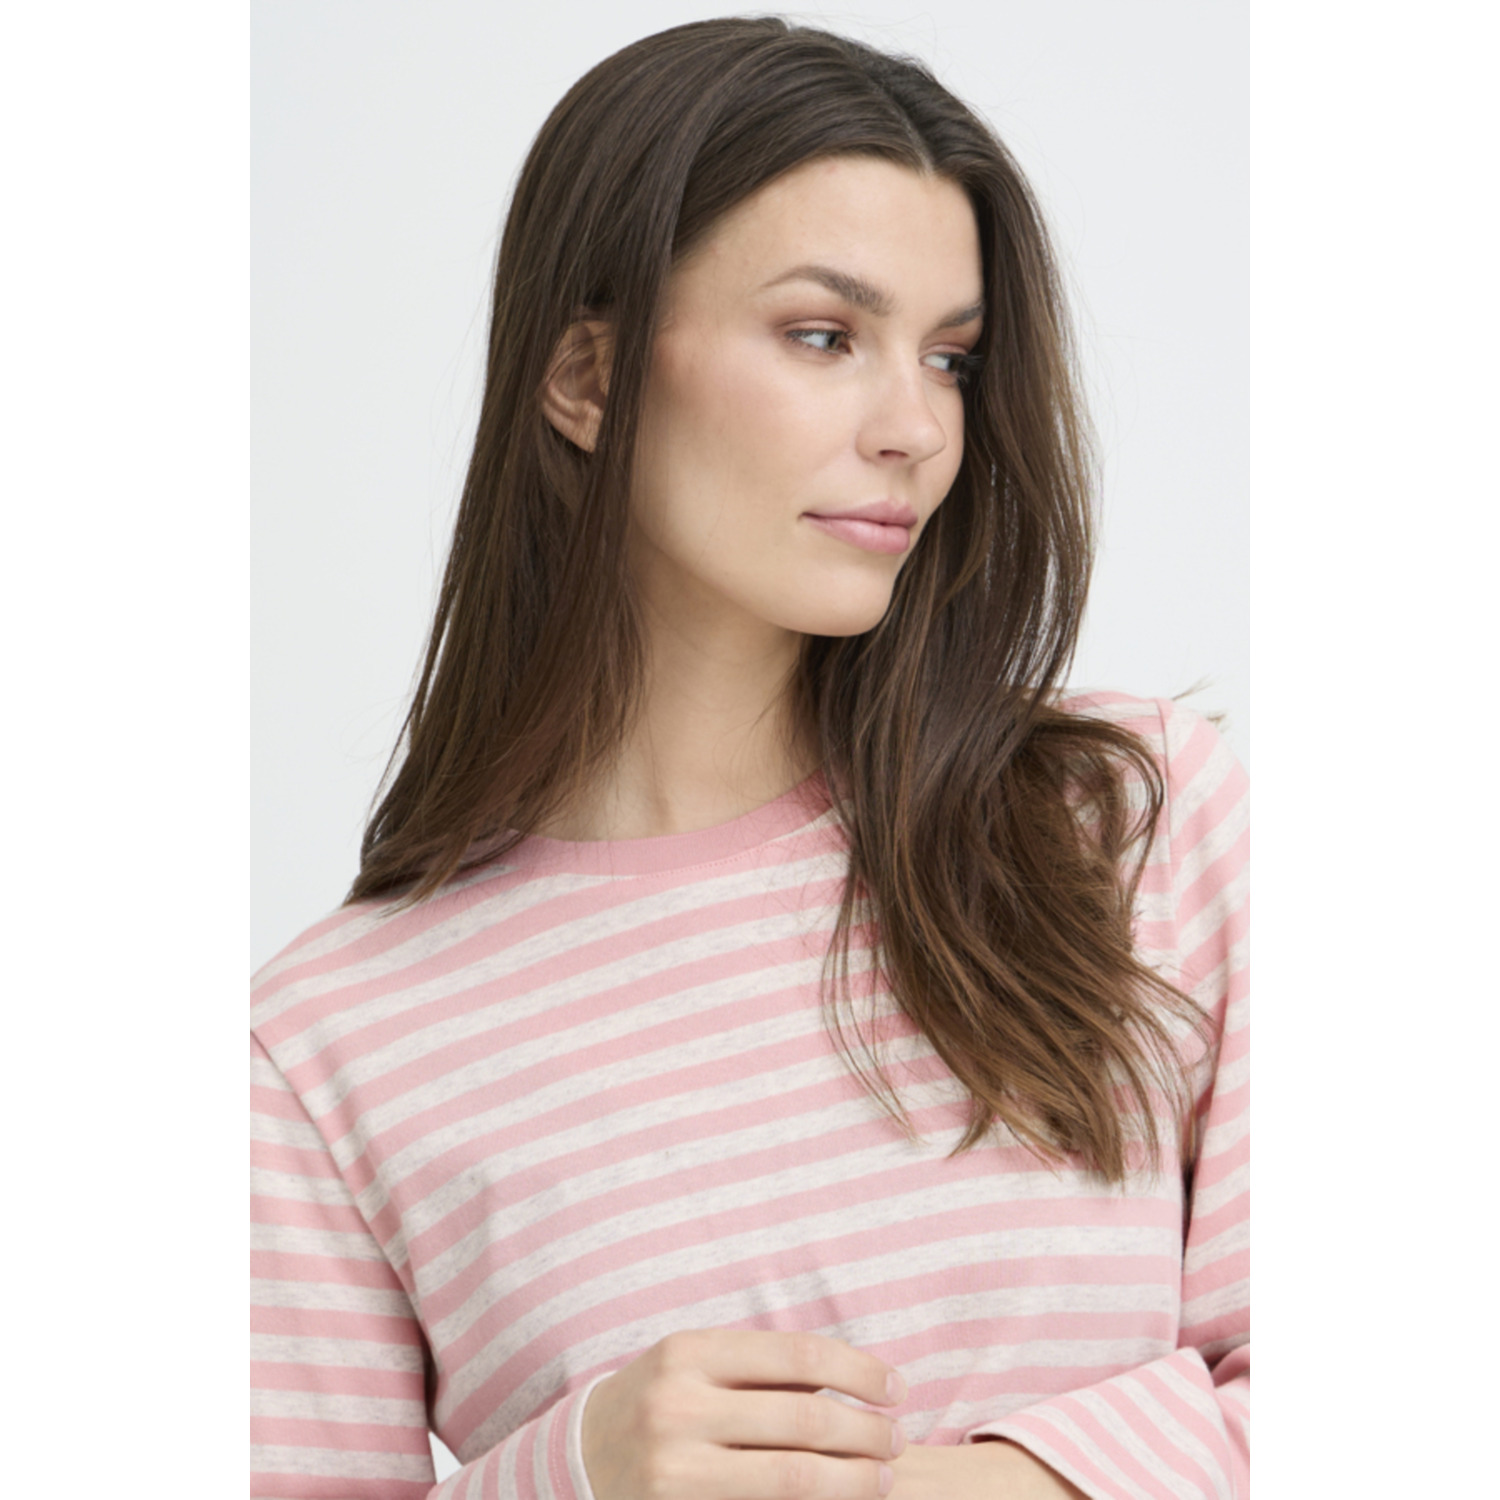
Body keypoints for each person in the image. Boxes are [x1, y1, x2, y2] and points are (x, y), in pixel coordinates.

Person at [250, 16, 1248, 1500]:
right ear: (586, 379)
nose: (916, 428)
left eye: (952, 358)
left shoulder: (1131, 823)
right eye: (824, 336)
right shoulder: (329, 1046)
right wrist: (573, 1473)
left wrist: (990, 1484)